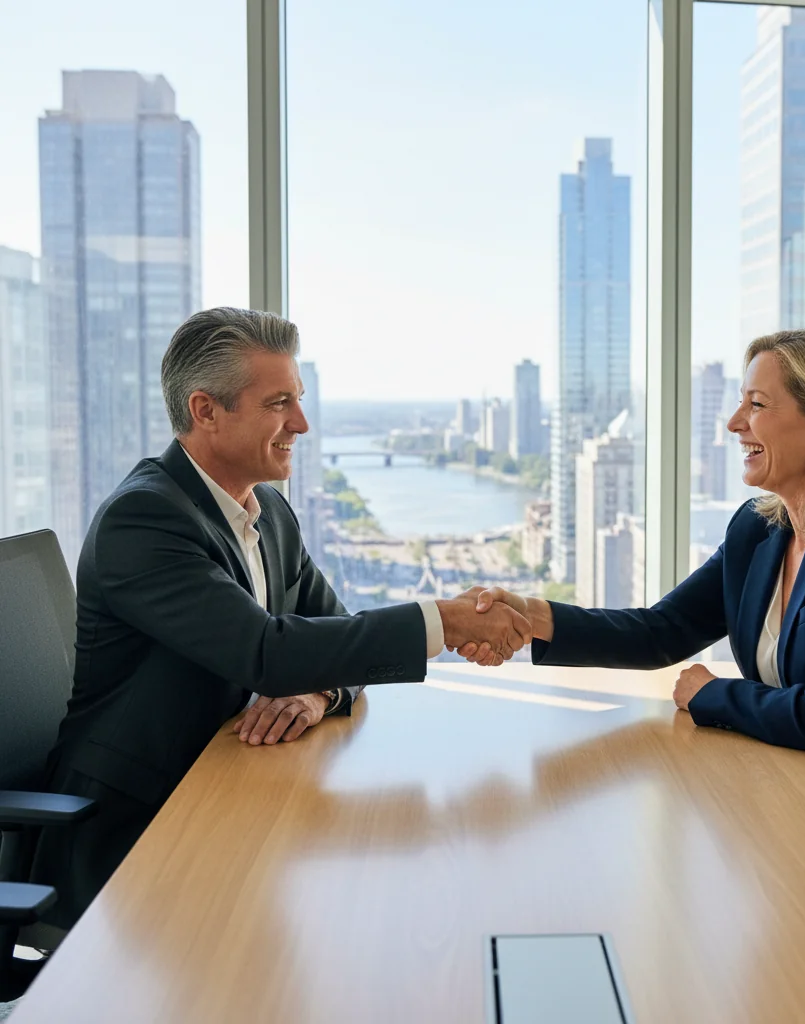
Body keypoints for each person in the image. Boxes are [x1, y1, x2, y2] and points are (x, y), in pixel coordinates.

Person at [32, 306, 531, 929]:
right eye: (278, 403)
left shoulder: (269, 510)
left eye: (297, 399)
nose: (301, 422)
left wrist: (319, 692)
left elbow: (333, 633)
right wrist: (448, 622)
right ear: (205, 411)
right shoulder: (144, 522)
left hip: (230, 792)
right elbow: (267, 653)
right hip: (137, 832)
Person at [459, 328, 805, 889]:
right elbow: (660, 632)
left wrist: (708, 694)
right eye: (741, 402)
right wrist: (530, 616)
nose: (734, 422)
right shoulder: (758, 529)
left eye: (756, 405)